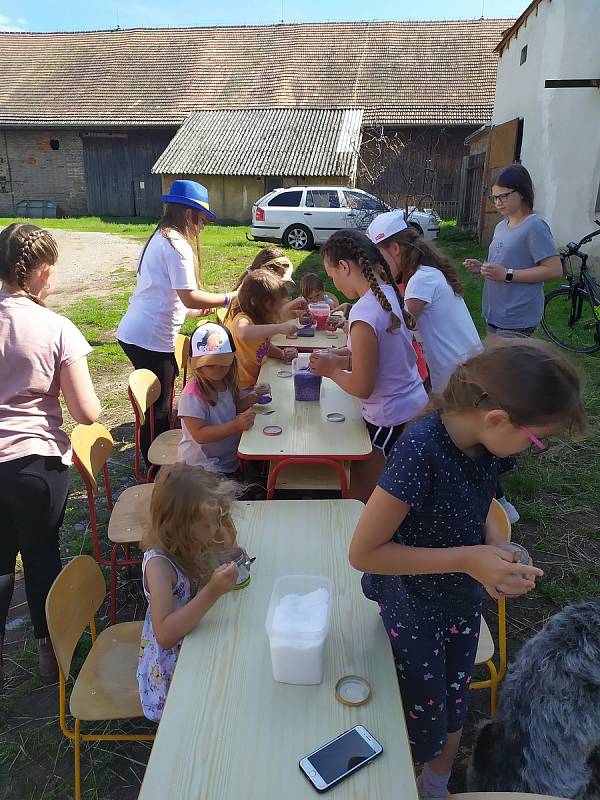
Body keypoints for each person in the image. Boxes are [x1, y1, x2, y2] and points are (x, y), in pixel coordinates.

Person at [348, 337, 585, 799]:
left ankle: (434, 785)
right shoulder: (421, 451)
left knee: (452, 705)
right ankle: (397, 781)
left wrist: (498, 550)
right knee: (416, 712)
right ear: (497, 417)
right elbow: (365, 551)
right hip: (412, 607)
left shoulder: (484, 446)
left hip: (456, 601)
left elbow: (482, 505)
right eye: (539, 440)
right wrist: (468, 559)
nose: (535, 450)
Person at [0, 223, 101, 689]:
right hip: (34, 462)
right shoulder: (55, 326)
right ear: (41, 272)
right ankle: (49, 648)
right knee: (41, 557)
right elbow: (86, 411)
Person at [116, 180, 234, 465]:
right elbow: (190, 296)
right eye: (202, 218)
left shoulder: (161, 236)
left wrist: (191, 312)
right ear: (189, 214)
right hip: (150, 337)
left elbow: (168, 296)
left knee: (158, 406)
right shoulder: (177, 245)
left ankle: (156, 461)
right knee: (158, 411)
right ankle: (156, 468)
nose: (203, 225)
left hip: (139, 330)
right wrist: (229, 298)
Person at [309, 229, 428, 503]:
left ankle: (363, 536)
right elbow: (381, 356)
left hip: (390, 418)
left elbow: (362, 386)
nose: (335, 285)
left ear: (344, 267)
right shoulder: (386, 295)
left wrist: (331, 371)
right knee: (400, 483)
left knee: (367, 495)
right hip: (412, 404)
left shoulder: (363, 314)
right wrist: (341, 356)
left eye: (332, 276)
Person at [137, 463, 240, 721]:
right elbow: (165, 634)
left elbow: (225, 539)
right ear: (175, 527)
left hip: (197, 639)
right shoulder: (159, 565)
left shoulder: (190, 541)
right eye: (208, 524)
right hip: (173, 671)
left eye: (218, 519)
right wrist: (213, 591)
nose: (216, 529)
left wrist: (225, 543)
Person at [367, 210, 481, 394]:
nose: (379, 265)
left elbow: (396, 326)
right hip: (460, 373)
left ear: (395, 248)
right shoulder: (426, 273)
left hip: (459, 381)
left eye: (379, 256)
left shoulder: (421, 280)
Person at [464, 163, 562, 336]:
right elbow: (505, 263)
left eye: (504, 196)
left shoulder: (535, 226)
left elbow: (554, 270)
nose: (498, 203)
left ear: (522, 193)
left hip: (517, 317)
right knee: (492, 361)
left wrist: (507, 274)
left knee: (503, 363)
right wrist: (483, 267)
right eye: (494, 198)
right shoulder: (501, 226)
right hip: (495, 313)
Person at [177, 321, 263, 476]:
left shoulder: (226, 382)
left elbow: (232, 407)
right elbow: (200, 435)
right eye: (210, 365)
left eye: (223, 364)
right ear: (195, 364)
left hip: (227, 458)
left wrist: (254, 397)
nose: (218, 369)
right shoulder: (192, 396)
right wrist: (235, 426)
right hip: (203, 466)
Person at [226, 269, 303, 390]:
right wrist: (279, 328)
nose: (276, 309)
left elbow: (262, 346)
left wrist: (281, 354)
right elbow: (243, 333)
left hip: (261, 379)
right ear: (255, 303)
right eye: (273, 305)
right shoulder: (242, 319)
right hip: (244, 388)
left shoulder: (257, 319)